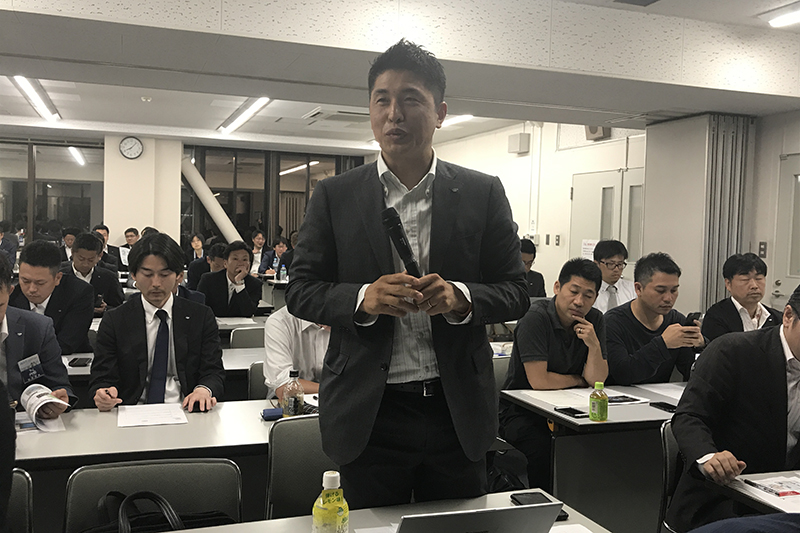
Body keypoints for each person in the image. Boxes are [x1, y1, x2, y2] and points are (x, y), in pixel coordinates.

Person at [286, 39, 529, 509]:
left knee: (457, 525)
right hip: (369, 411)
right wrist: (364, 298)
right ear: (371, 110)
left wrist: (461, 297)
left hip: (456, 409)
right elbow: (301, 290)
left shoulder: (481, 192)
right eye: (382, 100)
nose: (394, 113)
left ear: (440, 113)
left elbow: (517, 291)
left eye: (411, 99)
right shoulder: (336, 195)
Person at [666, 283, 800, 532]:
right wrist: (708, 457)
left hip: (788, 498)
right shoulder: (733, 351)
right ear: (789, 316)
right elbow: (689, 416)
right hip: (725, 497)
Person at [499, 258, 607, 490]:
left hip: (570, 409)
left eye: (588, 295)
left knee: (601, 440)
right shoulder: (535, 317)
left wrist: (594, 345)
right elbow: (540, 380)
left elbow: (597, 380)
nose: (579, 301)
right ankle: (547, 502)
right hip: (521, 412)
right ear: (557, 287)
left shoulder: (595, 320)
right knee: (544, 447)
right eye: (574, 291)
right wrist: (578, 380)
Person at [89, 233, 225, 411]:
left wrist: (203, 389)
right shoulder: (115, 320)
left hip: (187, 408)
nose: (156, 283)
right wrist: (104, 392)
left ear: (179, 276)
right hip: (132, 410)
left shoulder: (200, 316)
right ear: (133, 275)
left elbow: (213, 370)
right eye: (147, 274)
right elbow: (101, 376)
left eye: (164, 274)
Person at [604, 252, 699, 385]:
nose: (668, 298)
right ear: (638, 288)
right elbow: (622, 374)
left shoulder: (676, 321)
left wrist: (700, 346)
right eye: (660, 291)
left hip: (659, 395)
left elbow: (692, 372)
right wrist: (662, 345)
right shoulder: (612, 323)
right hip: (617, 395)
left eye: (674, 291)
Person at [0, 253, 74, 413]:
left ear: (10, 291)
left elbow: (58, 384)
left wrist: (54, 402)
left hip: (20, 416)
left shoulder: (37, 327)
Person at [9, 240, 94, 355]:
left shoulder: (79, 293)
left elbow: (66, 343)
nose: (32, 289)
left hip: (68, 360)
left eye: (40, 283)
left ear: (57, 278)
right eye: (25, 281)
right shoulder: (11, 295)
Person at [702, 252, 782, 342]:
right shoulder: (716, 316)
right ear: (728, 284)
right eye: (745, 279)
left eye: (758, 278)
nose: (754, 286)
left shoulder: (777, 318)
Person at [263, 306, 329, 399]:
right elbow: (284, 387)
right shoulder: (280, 321)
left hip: (337, 401)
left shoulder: (346, 319)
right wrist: (335, 391)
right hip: (287, 402)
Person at [60, 232, 125, 316]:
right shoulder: (60, 276)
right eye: (81, 259)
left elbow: (119, 307)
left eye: (90, 260)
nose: (85, 264)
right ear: (72, 253)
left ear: (99, 256)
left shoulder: (108, 277)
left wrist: (106, 309)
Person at [197, 241, 262, 317]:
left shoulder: (255, 284)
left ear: (249, 264)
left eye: (244, 260)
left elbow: (248, 312)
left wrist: (239, 284)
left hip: (240, 324)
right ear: (225, 263)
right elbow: (199, 308)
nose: (240, 263)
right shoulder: (208, 280)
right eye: (235, 259)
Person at [592, 240, 636, 313]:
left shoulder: (633, 289)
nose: (616, 269)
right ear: (597, 264)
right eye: (611, 264)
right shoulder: (591, 289)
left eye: (620, 264)